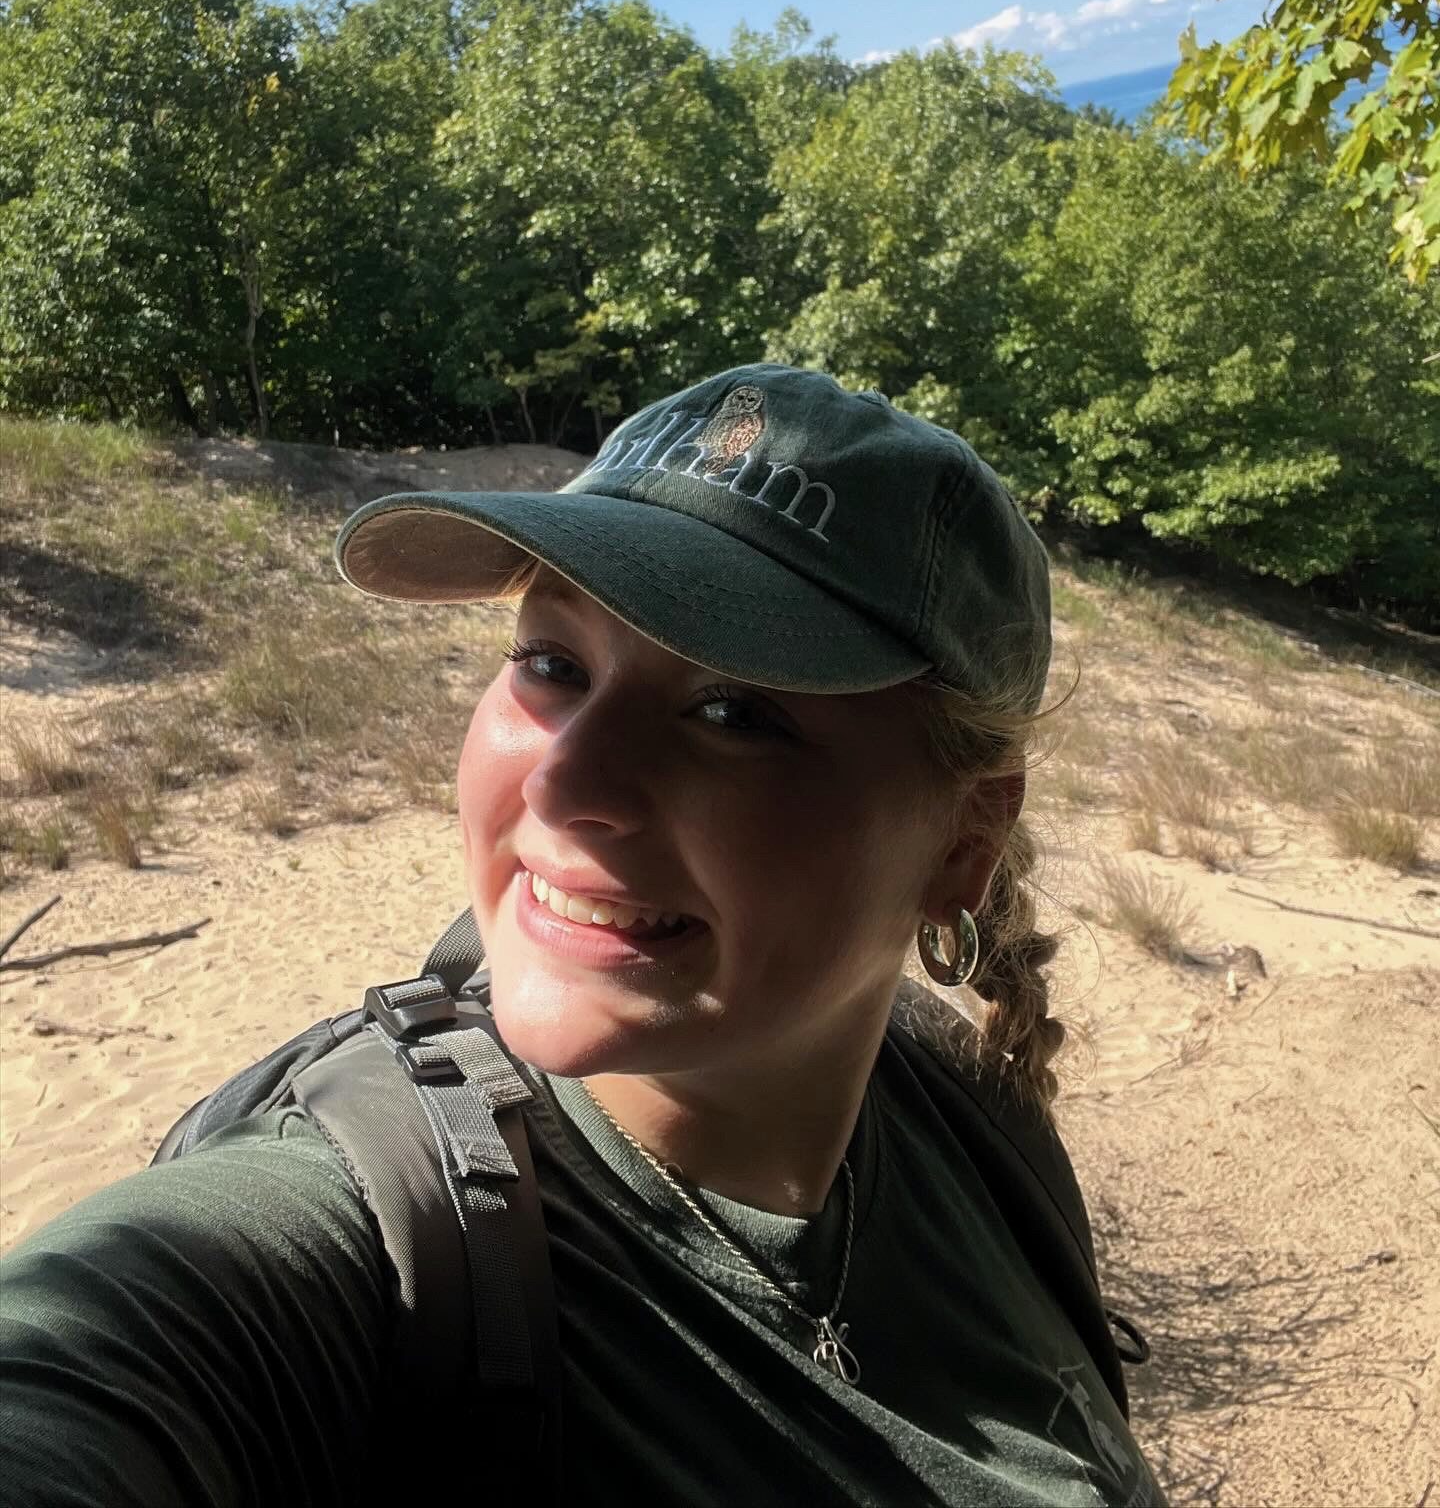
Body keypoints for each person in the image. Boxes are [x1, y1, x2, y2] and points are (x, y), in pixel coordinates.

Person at [0, 363, 1165, 1506]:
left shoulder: (970, 1116)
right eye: (553, 665)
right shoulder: (370, 1243)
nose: (564, 783)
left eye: (732, 710)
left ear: (963, 842)